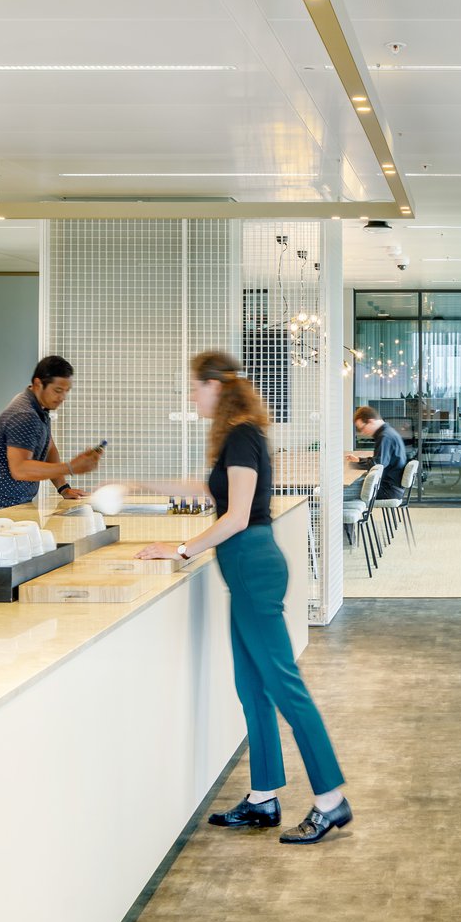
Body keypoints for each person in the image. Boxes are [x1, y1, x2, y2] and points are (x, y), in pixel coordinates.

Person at [135, 351, 351, 845]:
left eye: (195, 387)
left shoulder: (243, 436)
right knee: (252, 687)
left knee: (284, 687)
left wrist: (180, 549)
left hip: (254, 569)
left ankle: (330, 801)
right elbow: (208, 491)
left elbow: (234, 517)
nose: (192, 396)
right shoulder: (237, 437)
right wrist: (141, 483)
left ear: (217, 386)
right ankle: (263, 797)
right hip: (245, 574)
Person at [0, 355, 103, 514]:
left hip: (15, 503)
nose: (62, 398)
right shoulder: (24, 415)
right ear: (38, 384)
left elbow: (49, 447)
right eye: (57, 391)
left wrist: (63, 488)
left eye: (66, 391)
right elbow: (20, 469)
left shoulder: (40, 408)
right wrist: (71, 467)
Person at [343, 405, 408, 504]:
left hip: (387, 490)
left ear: (371, 421)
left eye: (362, 428)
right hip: (390, 486)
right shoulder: (388, 432)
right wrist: (359, 460)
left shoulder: (385, 437)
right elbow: (379, 461)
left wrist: (351, 465)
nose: (363, 432)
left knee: (336, 494)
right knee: (346, 487)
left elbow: (377, 465)